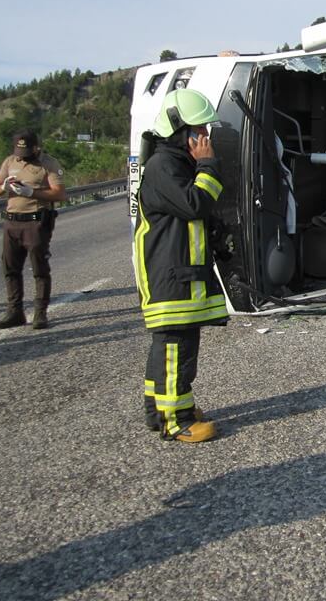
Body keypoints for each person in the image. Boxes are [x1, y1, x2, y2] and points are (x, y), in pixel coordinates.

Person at [134, 88, 229, 443]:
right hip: (170, 274)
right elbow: (195, 204)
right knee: (176, 348)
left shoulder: (171, 164)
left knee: (169, 345)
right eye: (199, 130)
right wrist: (208, 165)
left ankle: (159, 411)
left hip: (178, 271)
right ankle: (177, 421)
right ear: (179, 129)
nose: (205, 137)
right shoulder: (163, 166)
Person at [0, 130, 66, 330]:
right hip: (12, 222)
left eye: (25, 150)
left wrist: (32, 192)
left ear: (36, 147)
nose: (21, 154)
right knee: (10, 268)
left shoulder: (48, 163)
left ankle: (40, 313)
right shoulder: (10, 162)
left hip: (35, 222)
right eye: (18, 150)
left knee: (39, 268)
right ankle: (15, 311)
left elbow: (59, 193)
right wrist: (4, 187)